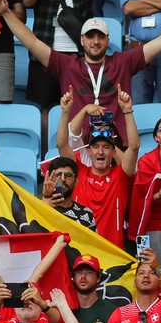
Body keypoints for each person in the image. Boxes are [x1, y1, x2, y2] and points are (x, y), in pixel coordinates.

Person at [1, 0, 161, 125]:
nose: (95, 42)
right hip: (78, 143)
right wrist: (5, 13)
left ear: (108, 39)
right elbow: (32, 42)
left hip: (115, 144)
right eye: (90, 37)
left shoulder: (123, 62)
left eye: (100, 37)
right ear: (82, 40)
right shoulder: (67, 64)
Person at [57, 98, 139, 248]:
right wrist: (65, 112)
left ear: (114, 152)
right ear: (88, 151)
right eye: (95, 147)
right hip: (81, 251)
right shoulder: (79, 173)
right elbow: (62, 144)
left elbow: (134, 147)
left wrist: (127, 111)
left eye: (106, 147)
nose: (100, 151)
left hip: (112, 252)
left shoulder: (120, 177)